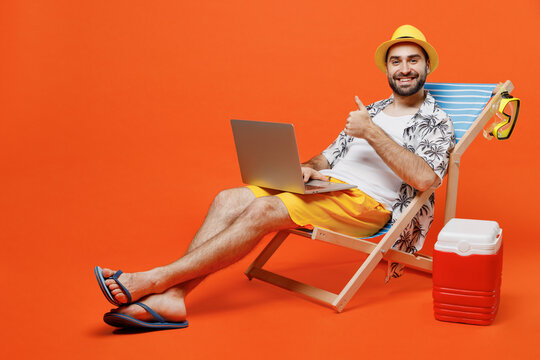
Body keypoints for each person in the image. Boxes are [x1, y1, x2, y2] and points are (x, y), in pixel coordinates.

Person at [95, 24, 455, 329]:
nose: (404, 68)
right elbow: (329, 155)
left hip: (369, 206)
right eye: (397, 61)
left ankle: (157, 279)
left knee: (264, 210)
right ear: (387, 69)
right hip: (330, 189)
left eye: (413, 60)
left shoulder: (435, 120)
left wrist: (372, 132)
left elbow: (425, 180)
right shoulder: (371, 110)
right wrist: (310, 167)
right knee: (227, 198)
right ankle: (175, 299)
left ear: (426, 66)